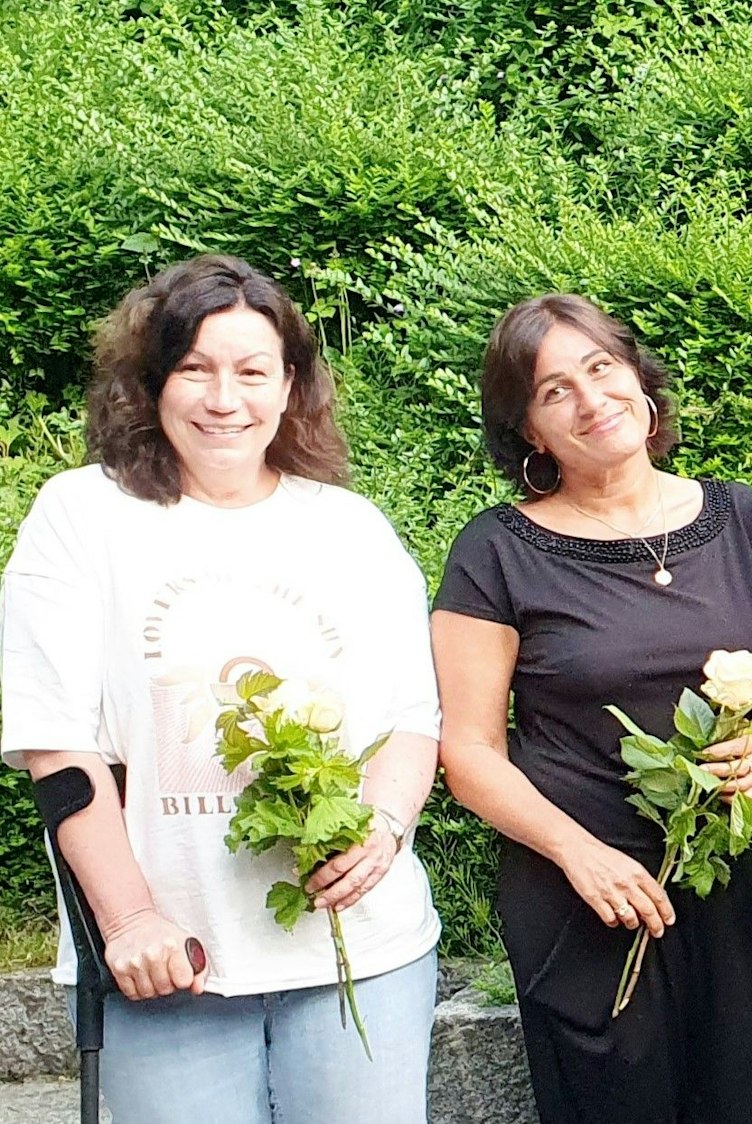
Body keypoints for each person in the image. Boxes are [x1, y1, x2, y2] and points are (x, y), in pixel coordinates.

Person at [0, 255, 441, 1122]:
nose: (223, 398)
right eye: (195, 369)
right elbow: (57, 740)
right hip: (170, 964)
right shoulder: (81, 515)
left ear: (289, 388)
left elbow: (410, 723)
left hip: (362, 951)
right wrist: (128, 922)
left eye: (251, 371)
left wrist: (384, 830)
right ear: (153, 382)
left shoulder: (347, 528)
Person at [430, 294, 752, 1123]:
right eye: (554, 390)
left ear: (638, 378)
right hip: (582, 897)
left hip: (733, 882)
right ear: (528, 431)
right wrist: (579, 854)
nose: (591, 399)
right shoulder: (495, 549)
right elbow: (470, 751)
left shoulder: (740, 516)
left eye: (601, 368)